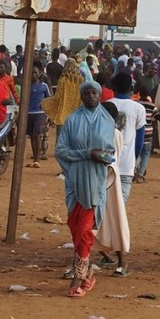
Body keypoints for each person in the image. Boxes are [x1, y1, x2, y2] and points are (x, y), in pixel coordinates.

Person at [55, 81, 115, 298]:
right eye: (86, 93)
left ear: (99, 95)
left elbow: (110, 155)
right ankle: (88, 270)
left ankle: (78, 277)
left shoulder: (107, 121)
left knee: (84, 230)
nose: (90, 96)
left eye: (94, 92)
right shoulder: (72, 121)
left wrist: (99, 156)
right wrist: (86, 154)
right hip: (75, 181)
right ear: (81, 96)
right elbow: (60, 150)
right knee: (75, 228)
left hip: (95, 182)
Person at [94, 101, 131, 278]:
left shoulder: (113, 133)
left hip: (109, 178)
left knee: (113, 217)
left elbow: (110, 156)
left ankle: (122, 260)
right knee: (92, 220)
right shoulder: (100, 131)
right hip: (97, 177)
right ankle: (96, 257)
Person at [108, 73, 146, 203]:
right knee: (121, 201)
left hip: (106, 160)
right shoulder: (139, 108)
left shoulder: (104, 105)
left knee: (104, 199)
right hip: (127, 161)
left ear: (113, 86)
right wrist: (134, 160)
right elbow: (139, 141)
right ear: (131, 88)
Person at [42, 58, 84, 164]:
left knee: (61, 140)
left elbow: (58, 97)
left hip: (63, 114)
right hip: (76, 114)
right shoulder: (80, 79)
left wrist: (45, 103)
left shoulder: (63, 79)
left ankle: (63, 165)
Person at [135, 86, 160, 183]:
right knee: (146, 154)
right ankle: (140, 176)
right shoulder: (152, 106)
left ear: (139, 93)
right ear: (148, 95)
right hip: (148, 133)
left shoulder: (136, 104)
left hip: (137, 133)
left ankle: (134, 171)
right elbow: (158, 117)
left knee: (136, 154)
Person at [25, 62, 51, 168]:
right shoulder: (27, 86)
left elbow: (48, 99)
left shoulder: (43, 86)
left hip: (39, 113)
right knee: (31, 135)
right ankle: (35, 156)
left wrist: (48, 113)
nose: (33, 75)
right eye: (31, 73)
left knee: (37, 134)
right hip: (29, 113)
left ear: (39, 73)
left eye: (35, 73)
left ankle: (37, 158)